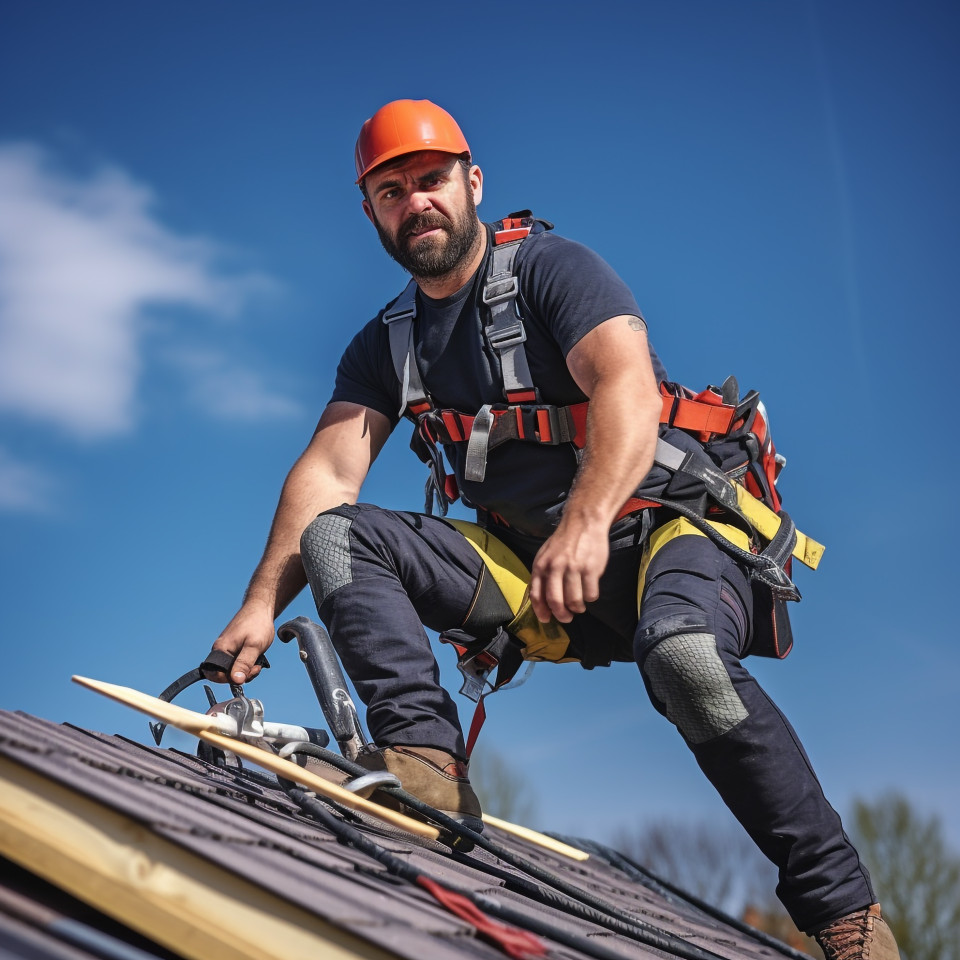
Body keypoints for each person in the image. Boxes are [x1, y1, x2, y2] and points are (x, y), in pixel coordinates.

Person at [203, 99, 899, 959]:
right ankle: (427, 772)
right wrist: (260, 605)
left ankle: (848, 919)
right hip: (539, 575)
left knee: (683, 657)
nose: (416, 201)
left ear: (473, 183)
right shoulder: (385, 346)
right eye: (392, 191)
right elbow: (327, 473)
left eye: (431, 180)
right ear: (370, 211)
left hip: (668, 530)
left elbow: (625, 388)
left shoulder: (552, 272)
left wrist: (588, 520)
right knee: (340, 536)